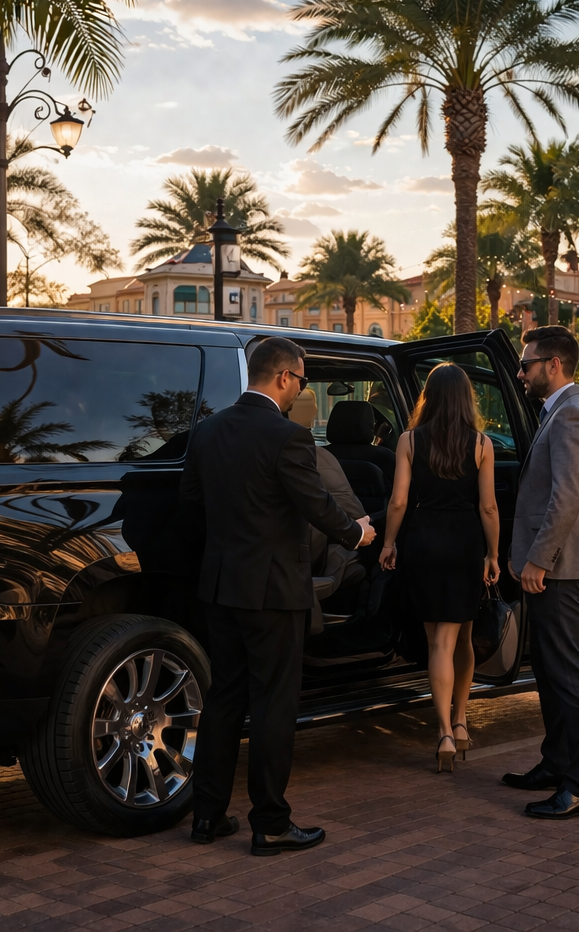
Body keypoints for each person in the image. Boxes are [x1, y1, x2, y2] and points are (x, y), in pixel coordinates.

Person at [180, 336, 376, 856]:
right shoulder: (287, 437)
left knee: (222, 701)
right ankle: (269, 823)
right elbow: (315, 505)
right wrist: (356, 534)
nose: (299, 392)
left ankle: (207, 816)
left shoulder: (208, 431)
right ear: (284, 377)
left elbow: (192, 504)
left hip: (220, 586)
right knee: (272, 705)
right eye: (302, 381)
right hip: (274, 591)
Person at [502, 324, 579, 820]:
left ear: (554, 365)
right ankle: (556, 764)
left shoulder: (571, 416)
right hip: (557, 565)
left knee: (569, 675)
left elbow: (565, 497)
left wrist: (538, 560)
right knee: (549, 670)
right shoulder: (560, 413)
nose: (521, 372)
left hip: (562, 567)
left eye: (527, 365)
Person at [378, 363, 500, 772]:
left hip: (425, 542)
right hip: (465, 543)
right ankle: (460, 723)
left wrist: (390, 543)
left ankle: (446, 730)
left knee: (440, 643)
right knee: (462, 634)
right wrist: (493, 554)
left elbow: (398, 501)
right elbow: (488, 506)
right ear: (466, 398)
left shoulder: (409, 440)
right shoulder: (482, 443)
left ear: (426, 397)